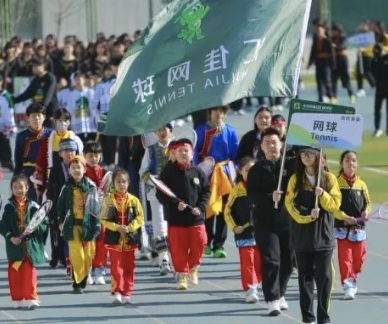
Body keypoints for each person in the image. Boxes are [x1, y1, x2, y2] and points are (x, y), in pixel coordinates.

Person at [284, 147, 342, 324]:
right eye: (303, 154)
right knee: (305, 279)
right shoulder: (296, 179)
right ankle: (308, 318)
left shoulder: (329, 178)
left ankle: (323, 317)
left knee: (324, 279)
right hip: (303, 236)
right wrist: (308, 216)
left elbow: (335, 204)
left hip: (323, 237)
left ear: (319, 156)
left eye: (309, 154)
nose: (306, 157)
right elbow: (289, 204)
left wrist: (322, 194)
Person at [246, 127, 295, 316]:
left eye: (274, 142)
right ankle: (272, 299)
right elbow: (252, 196)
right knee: (271, 260)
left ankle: (281, 293)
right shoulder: (257, 169)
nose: (271, 146)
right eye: (267, 143)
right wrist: (269, 196)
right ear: (261, 147)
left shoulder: (290, 166)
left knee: (288, 263)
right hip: (265, 222)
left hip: (288, 220)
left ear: (281, 144)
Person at [156, 138, 211, 290]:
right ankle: (182, 275)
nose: (183, 153)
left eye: (186, 150)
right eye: (180, 151)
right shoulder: (167, 172)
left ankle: (193, 267)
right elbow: (161, 194)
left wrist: (200, 207)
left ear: (192, 154)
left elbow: (207, 191)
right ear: (175, 153)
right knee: (178, 248)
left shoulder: (198, 172)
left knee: (200, 242)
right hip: (176, 219)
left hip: (196, 217)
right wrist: (175, 205)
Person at [194, 106, 239, 258]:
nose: (218, 113)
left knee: (224, 209)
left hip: (224, 174)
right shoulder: (201, 130)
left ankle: (219, 245)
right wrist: (199, 170)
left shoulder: (231, 131)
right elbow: (195, 153)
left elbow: (235, 155)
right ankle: (206, 242)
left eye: (222, 111)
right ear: (210, 112)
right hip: (207, 174)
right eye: (215, 111)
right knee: (208, 208)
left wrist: (231, 169)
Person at [0, 174, 48, 309]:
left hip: (29, 247)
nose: (18, 190)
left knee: (30, 272)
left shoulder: (34, 206)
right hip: (14, 247)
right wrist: (11, 237)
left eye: (21, 187)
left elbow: (43, 224)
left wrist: (35, 230)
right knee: (15, 274)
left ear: (27, 188)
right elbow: (2, 225)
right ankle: (17, 299)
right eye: (15, 187)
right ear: (11, 189)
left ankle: (31, 298)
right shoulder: (8, 207)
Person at [100, 168, 144, 304]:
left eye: (124, 181)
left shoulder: (134, 200)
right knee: (116, 267)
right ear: (113, 183)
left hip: (130, 240)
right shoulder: (108, 200)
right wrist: (117, 227)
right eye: (118, 182)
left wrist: (130, 228)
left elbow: (140, 217)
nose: (121, 184)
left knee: (129, 267)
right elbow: (104, 219)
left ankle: (127, 292)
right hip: (114, 240)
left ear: (128, 183)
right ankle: (117, 291)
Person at [57, 155, 100, 294]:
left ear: (85, 169)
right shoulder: (66, 187)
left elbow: (96, 208)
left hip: (88, 225)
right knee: (76, 254)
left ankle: (83, 276)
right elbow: (60, 206)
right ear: (69, 170)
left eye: (79, 167)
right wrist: (60, 222)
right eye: (73, 167)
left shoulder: (91, 186)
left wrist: (97, 225)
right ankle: (77, 283)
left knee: (88, 255)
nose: (76, 170)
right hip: (72, 225)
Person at [334, 150, 371, 300]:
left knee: (359, 258)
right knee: (345, 258)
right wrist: (344, 217)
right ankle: (348, 285)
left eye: (354, 160)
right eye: (347, 160)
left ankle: (353, 276)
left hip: (359, 228)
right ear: (341, 163)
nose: (351, 163)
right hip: (342, 227)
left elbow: (367, 203)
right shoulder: (335, 183)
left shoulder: (361, 184)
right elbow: (332, 206)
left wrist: (366, 213)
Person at [224, 156, 262, 303]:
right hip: (244, 234)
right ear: (240, 172)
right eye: (247, 170)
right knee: (248, 261)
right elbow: (227, 211)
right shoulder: (237, 191)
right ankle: (250, 288)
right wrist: (235, 226)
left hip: (261, 233)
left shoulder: (262, 188)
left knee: (260, 262)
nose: (251, 174)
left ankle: (256, 282)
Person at [139, 123, 174, 274]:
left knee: (173, 225)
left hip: (174, 194)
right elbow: (143, 171)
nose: (161, 132)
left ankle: (175, 258)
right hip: (155, 193)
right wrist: (153, 179)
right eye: (158, 129)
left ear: (170, 130)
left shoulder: (177, 147)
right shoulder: (151, 149)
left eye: (164, 128)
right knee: (159, 224)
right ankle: (163, 259)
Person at [31, 108, 83, 201]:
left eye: (65, 120)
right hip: (53, 181)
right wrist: (39, 187)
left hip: (71, 179)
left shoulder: (76, 140)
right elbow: (40, 163)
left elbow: (81, 162)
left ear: (69, 122)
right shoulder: (47, 141)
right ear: (55, 121)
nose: (62, 123)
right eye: (60, 120)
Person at [45, 139, 78, 270]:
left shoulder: (80, 167)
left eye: (72, 150)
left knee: (73, 234)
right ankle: (57, 257)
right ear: (60, 153)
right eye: (66, 150)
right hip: (60, 206)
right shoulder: (55, 169)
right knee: (57, 233)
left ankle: (68, 259)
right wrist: (51, 208)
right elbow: (50, 191)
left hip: (76, 206)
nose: (69, 153)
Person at [14, 103, 51, 202]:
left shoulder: (51, 134)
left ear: (44, 117)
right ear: (28, 118)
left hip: (47, 173)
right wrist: (16, 179)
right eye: (33, 115)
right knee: (30, 204)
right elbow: (18, 161)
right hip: (28, 174)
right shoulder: (21, 136)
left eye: (39, 115)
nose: (36, 118)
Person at [83, 141, 108, 285]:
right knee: (87, 242)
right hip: (86, 214)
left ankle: (99, 270)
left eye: (96, 155)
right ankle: (87, 270)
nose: (94, 158)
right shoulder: (81, 171)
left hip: (102, 213)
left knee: (102, 242)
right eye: (90, 155)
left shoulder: (104, 172)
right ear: (84, 156)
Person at [12, 58, 58, 128]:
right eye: (33, 67)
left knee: (51, 135)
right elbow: (27, 93)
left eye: (36, 67)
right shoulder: (36, 80)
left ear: (42, 66)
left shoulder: (50, 78)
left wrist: (42, 107)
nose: (34, 69)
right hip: (39, 113)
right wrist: (13, 100)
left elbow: (48, 95)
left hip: (50, 112)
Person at [308, 24, 336, 103]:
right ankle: (321, 97)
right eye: (318, 31)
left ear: (323, 32)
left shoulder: (327, 41)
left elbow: (332, 53)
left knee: (327, 80)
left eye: (320, 31)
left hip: (326, 64)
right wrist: (310, 63)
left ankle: (331, 96)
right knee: (319, 81)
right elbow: (312, 53)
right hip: (318, 64)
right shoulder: (316, 41)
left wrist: (333, 64)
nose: (318, 33)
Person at [371, 43, 388, 137]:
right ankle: (377, 129)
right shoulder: (374, 60)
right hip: (379, 88)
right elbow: (372, 72)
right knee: (377, 109)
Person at [0, 75, 16, 171]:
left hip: (5, 129)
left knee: (6, 152)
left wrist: (10, 127)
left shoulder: (6, 97)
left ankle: (10, 164)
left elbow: (10, 113)